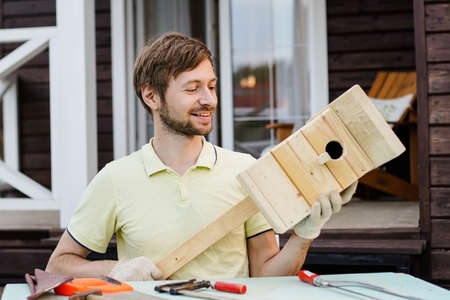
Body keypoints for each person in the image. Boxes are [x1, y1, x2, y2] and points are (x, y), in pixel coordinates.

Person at [46, 32, 357, 281]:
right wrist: (114, 269)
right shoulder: (115, 178)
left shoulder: (244, 170)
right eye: (193, 89)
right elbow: (58, 265)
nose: (208, 100)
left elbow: (266, 273)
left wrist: (305, 234)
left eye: (211, 86)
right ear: (151, 96)